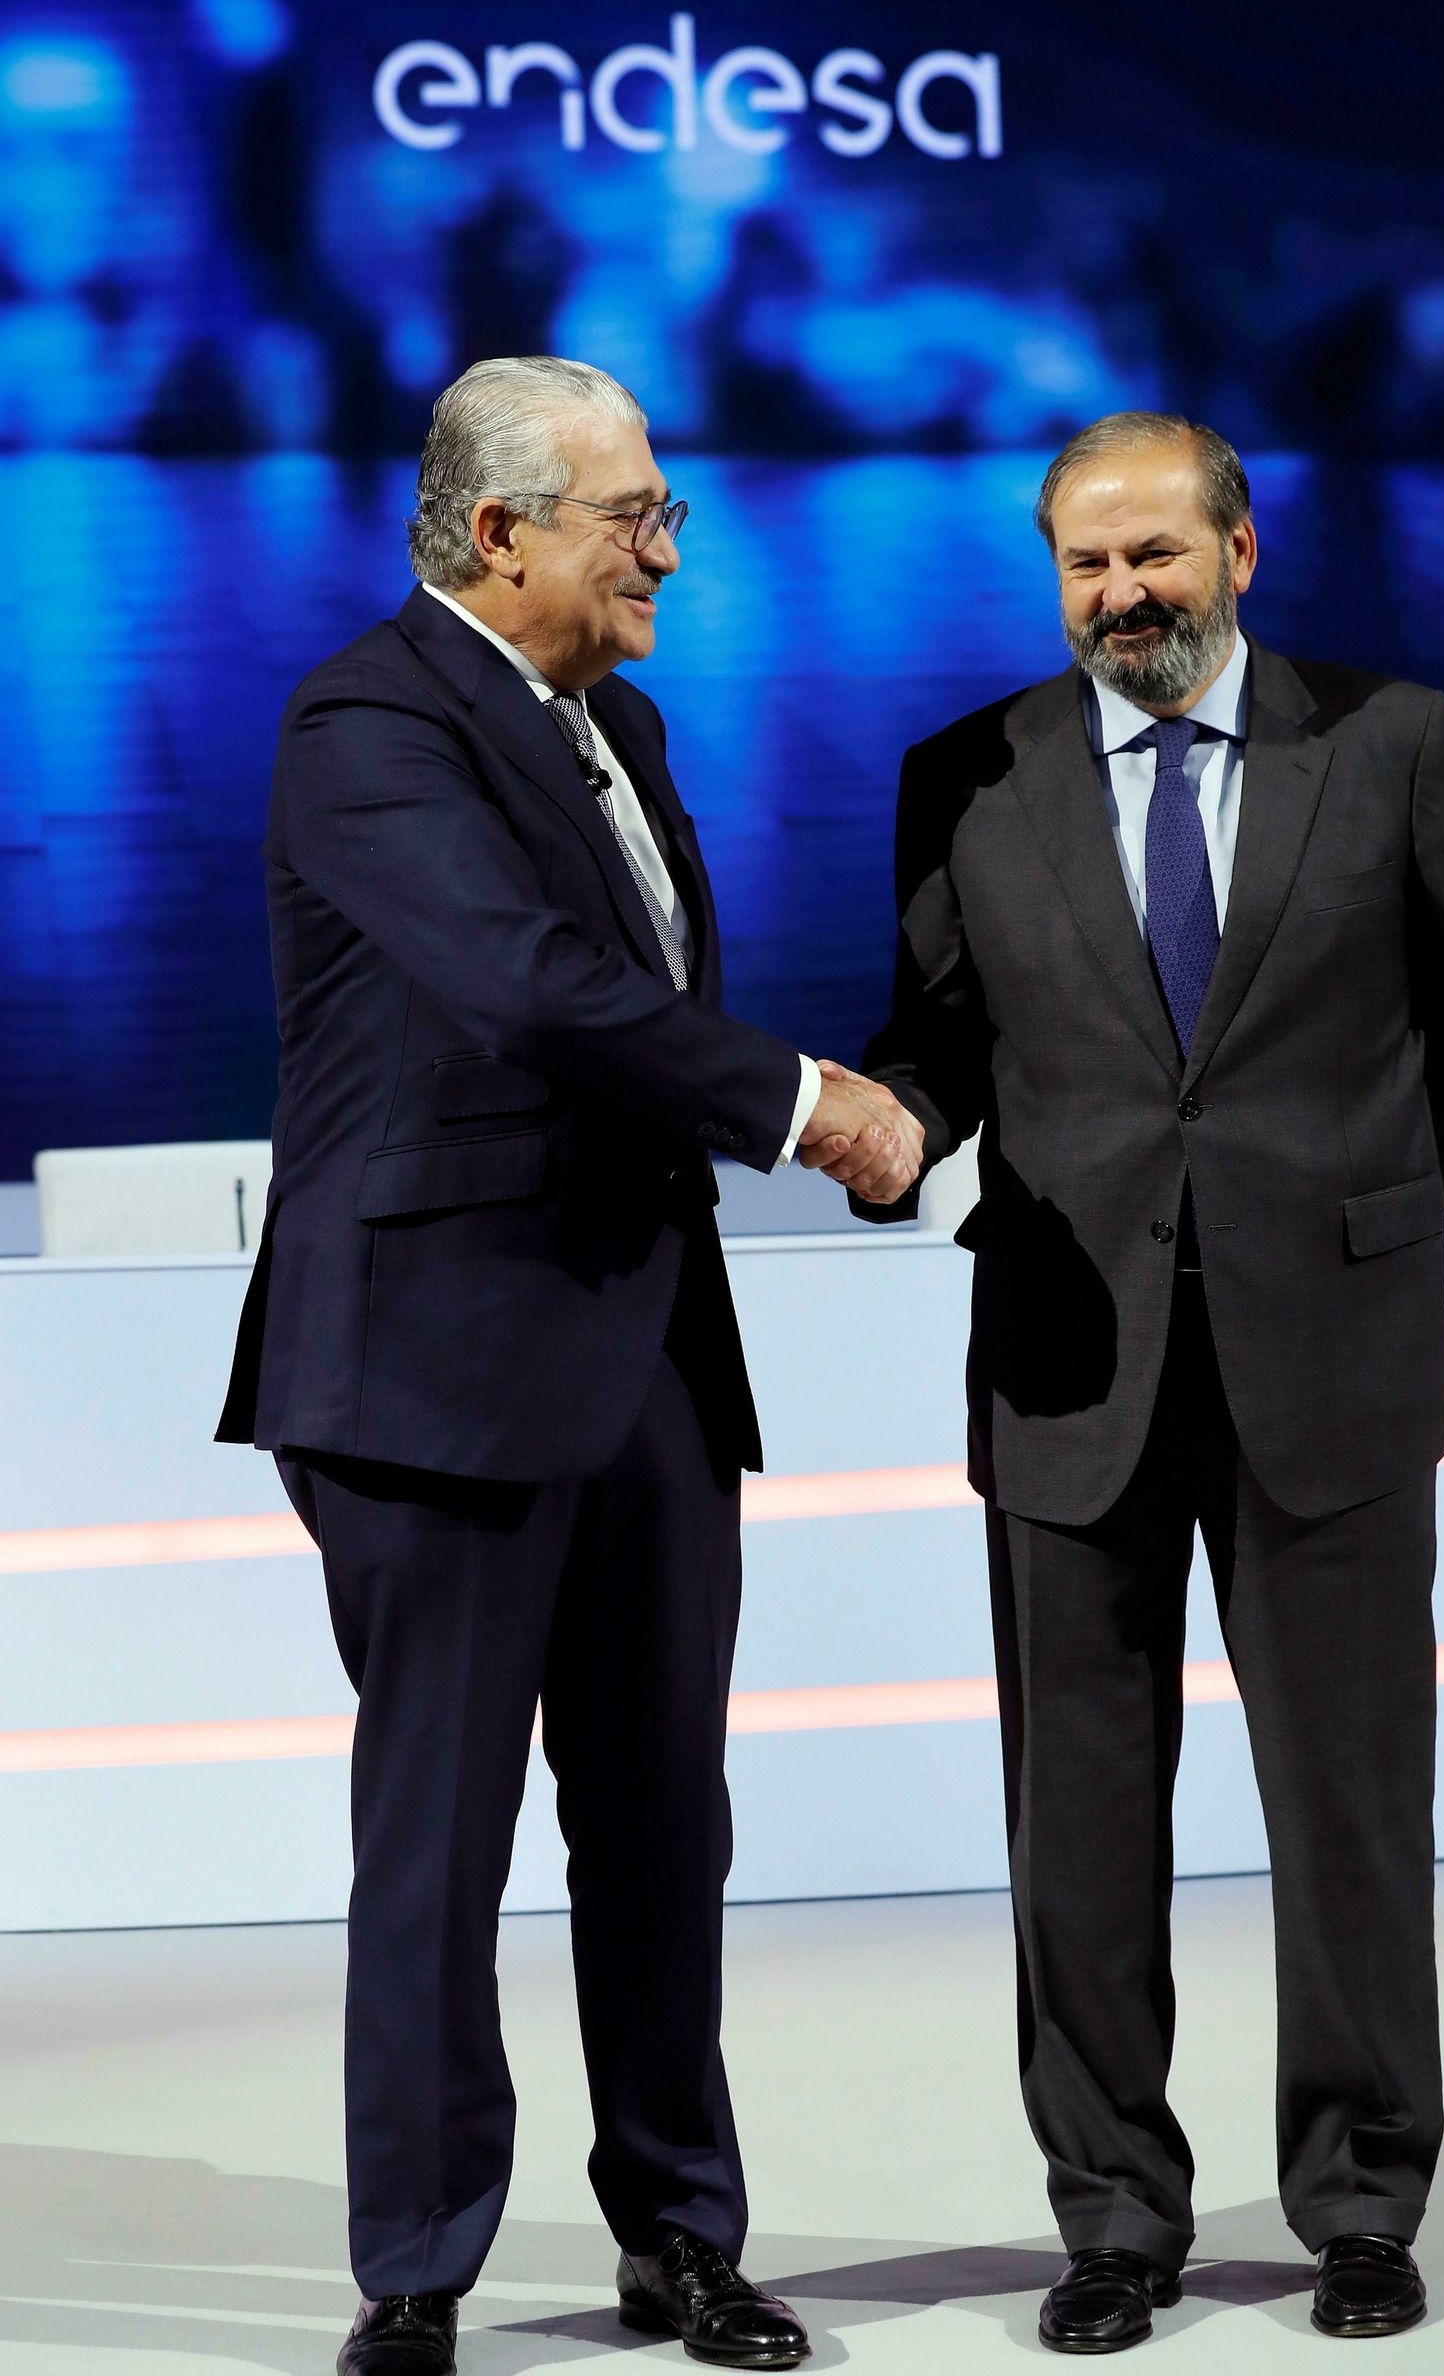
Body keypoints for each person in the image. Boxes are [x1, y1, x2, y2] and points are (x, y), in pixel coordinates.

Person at [217, 353, 921, 2376]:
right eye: (635, 515)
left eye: (666, 511)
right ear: (499, 525)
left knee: (659, 1820)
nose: (669, 552)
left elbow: (627, 1003)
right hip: (429, 1364)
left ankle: (681, 2239)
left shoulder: (620, 722)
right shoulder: (365, 716)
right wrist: (808, 1105)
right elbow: (529, 991)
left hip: (644, 1362)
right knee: (437, 1838)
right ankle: (417, 2276)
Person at [847, 411, 1444, 2351]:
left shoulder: (1387, 739)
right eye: (1081, 563)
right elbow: (940, 1034)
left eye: (1152, 555)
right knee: (1072, 1825)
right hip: (1067, 1364)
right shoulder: (963, 774)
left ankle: (1360, 2202)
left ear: (1240, 551)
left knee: (1346, 1814)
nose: (1117, 596)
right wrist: (889, 1122)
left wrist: (1343, 1215)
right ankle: (1112, 2221)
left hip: (1330, 1359)